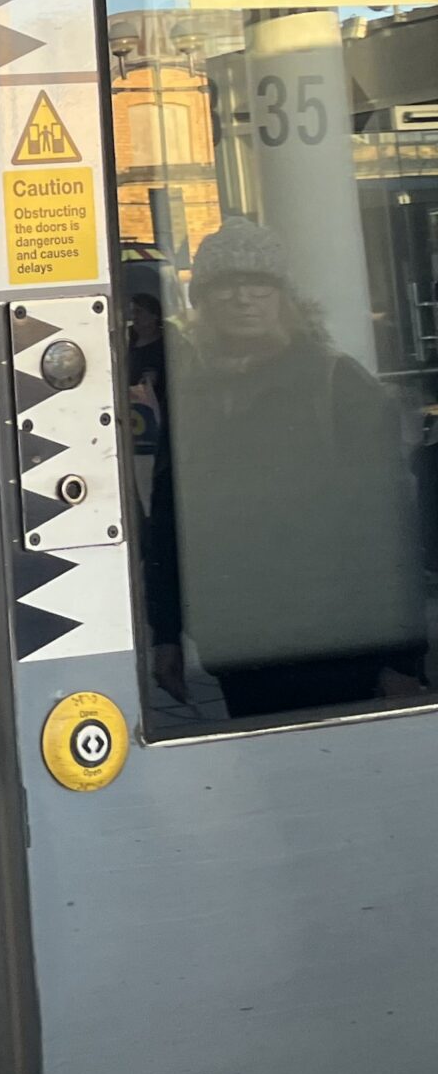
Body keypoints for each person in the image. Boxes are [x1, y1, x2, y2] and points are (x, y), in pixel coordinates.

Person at [149, 217, 424, 720]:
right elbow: (169, 515)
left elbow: (388, 529)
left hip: (341, 652)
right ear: (202, 303)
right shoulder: (193, 393)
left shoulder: (338, 385)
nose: (244, 297)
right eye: (226, 285)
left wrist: (400, 660)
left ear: (285, 300)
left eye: (260, 284)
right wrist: (164, 634)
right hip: (240, 649)